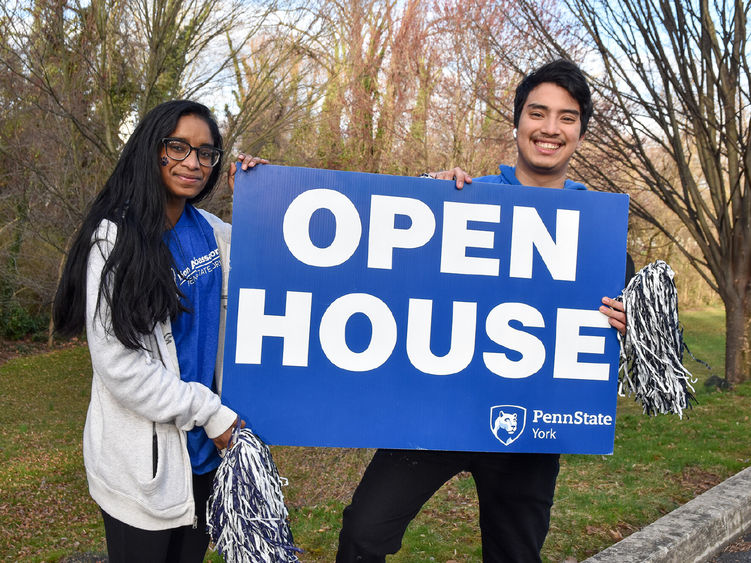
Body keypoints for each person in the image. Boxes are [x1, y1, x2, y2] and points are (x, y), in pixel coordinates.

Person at [336, 59, 628, 562]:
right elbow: (389, 277)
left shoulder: (601, 232)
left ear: (580, 131)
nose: (550, 128)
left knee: (515, 554)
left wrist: (630, 327)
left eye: (567, 117)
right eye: (538, 113)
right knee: (363, 531)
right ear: (518, 122)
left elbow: (640, 352)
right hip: (437, 408)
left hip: (530, 424)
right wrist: (421, 198)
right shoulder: (459, 200)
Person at [52, 100, 266, 563]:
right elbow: (121, 366)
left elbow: (281, 263)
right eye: (179, 147)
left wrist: (261, 194)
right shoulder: (115, 239)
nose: (194, 163)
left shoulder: (212, 232)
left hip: (207, 458)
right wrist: (210, 412)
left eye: (207, 153)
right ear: (152, 149)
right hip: (145, 473)